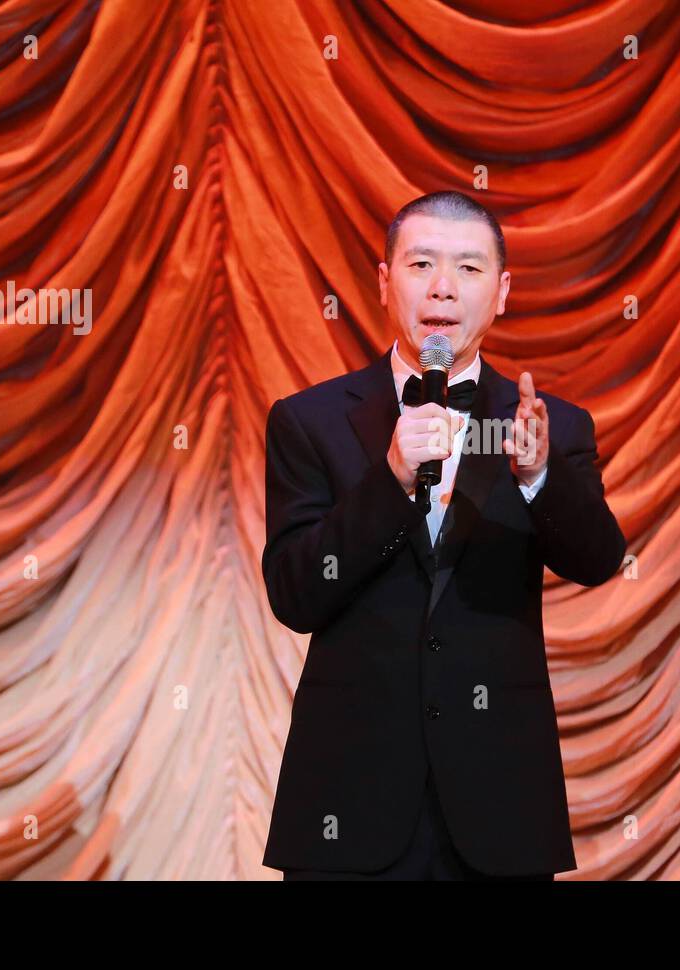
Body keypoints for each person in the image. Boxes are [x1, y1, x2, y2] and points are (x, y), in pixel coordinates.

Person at [261, 190, 626, 880]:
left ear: (502, 291)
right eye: (421, 264)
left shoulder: (553, 428)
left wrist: (539, 477)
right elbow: (296, 593)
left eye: (468, 269)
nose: (442, 289)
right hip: (349, 798)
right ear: (383, 282)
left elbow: (599, 559)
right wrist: (392, 478)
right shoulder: (309, 422)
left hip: (499, 802)